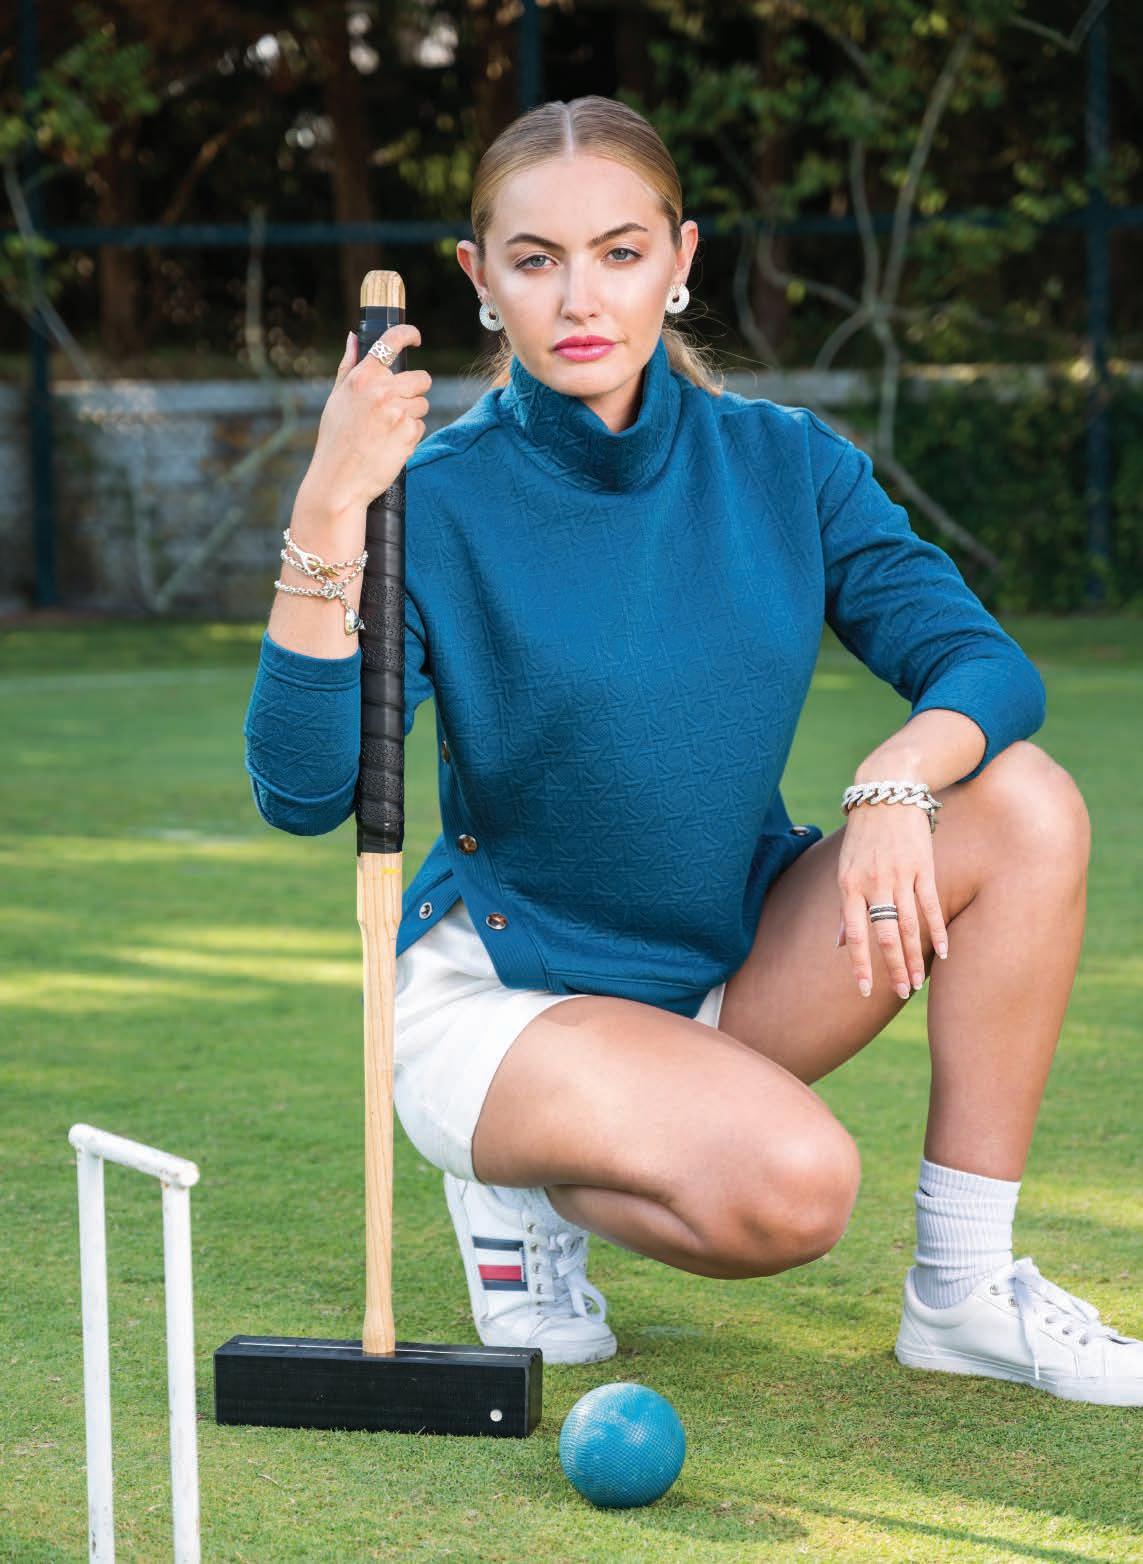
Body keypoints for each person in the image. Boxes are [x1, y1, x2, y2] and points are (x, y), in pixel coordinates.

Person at [245, 96, 1142, 1401]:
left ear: (680, 258)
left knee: (1025, 804)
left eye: (620, 252)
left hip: (723, 967)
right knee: (797, 1191)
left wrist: (895, 781)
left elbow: (983, 664)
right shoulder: (430, 499)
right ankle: (518, 1180)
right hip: (508, 999)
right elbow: (304, 788)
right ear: (480, 280)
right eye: (536, 260)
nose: (581, 298)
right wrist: (332, 501)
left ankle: (963, 1293)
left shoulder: (785, 463)